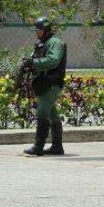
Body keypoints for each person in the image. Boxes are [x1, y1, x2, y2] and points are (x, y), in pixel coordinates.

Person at [22, 17, 67, 156]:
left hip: (52, 82)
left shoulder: (55, 43)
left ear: (46, 30)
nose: (37, 33)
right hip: (43, 82)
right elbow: (35, 59)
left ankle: (38, 147)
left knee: (42, 111)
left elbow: (53, 61)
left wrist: (34, 63)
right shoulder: (42, 43)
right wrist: (28, 63)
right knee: (52, 114)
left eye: (39, 30)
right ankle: (57, 147)